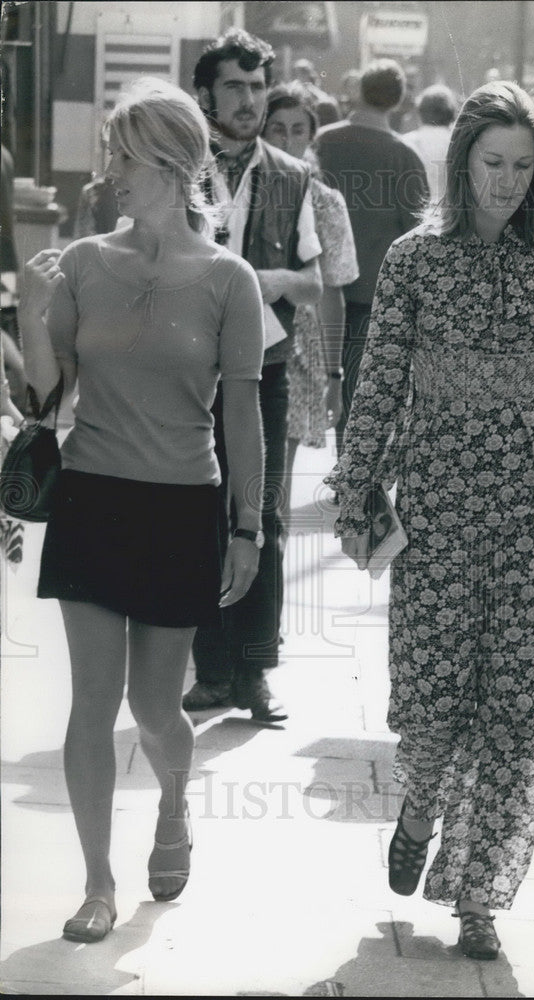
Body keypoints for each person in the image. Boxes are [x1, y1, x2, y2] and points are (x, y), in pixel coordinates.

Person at [325, 81, 534, 959]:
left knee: (527, 706)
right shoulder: (414, 262)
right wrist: (357, 494)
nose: (507, 182)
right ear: (462, 164)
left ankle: (479, 902)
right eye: (493, 164)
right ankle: (420, 806)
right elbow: (380, 378)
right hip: (439, 511)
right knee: (434, 700)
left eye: (522, 166)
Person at [17, 78, 265, 942]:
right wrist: (35, 313)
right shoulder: (83, 262)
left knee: (157, 709)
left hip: (180, 507)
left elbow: (244, 413)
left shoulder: (229, 280)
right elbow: (49, 400)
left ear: (166, 161)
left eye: (122, 154)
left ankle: (172, 802)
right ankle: (96, 884)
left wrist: (248, 525)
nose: (111, 171)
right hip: (92, 496)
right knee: (93, 703)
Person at [182, 28, 323, 720]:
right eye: (234, 86)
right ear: (206, 93)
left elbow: (314, 282)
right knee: (199, 512)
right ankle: (211, 670)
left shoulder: (293, 177)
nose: (249, 100)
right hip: (186, 370)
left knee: (259, 511)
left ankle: (256, 673)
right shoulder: (178, 165)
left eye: (258, 86)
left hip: (264, 370)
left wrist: (259, 279)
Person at [314, 58, 428, 458]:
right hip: (375, 294)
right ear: (397, 102)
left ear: (357, 90)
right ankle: (354, 472)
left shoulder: (322, 142)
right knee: (362, 389)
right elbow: (418, 234)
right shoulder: (403, 156)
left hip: (318, 284)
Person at [261, 83, 358, 523]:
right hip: (243, 340)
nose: (287, 139)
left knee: (274, 484)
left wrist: (335, 372)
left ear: (311, 136)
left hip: (298, 357)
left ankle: (269, 574)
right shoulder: (244, 192)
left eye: (297, 129)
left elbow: (333, 290)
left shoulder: (325, 201)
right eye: (277, 128)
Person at [402, 83, 458, 203]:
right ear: (452, 113)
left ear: (420, 112)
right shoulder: (457, 143)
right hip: (449, 214)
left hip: (414, 213)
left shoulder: (405, 142)